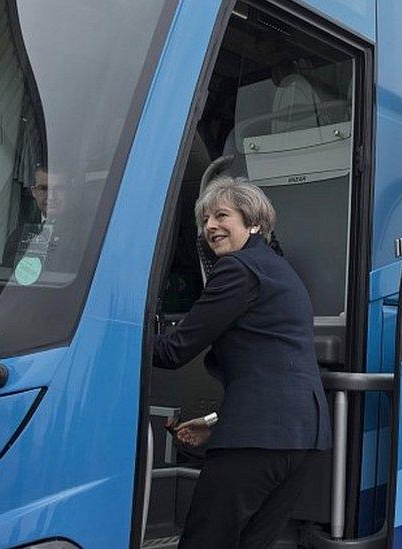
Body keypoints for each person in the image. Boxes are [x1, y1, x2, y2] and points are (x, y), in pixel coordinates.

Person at [153, 177, 332, 548]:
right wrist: (215, 421)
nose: (210, 226)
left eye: (221, 215)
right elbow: (274, 367)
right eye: (205, 220)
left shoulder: (238, 270)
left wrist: (116, 336)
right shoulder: (278, 270)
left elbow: (174, 351)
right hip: (303, 437)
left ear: (253, 223)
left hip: (259, 439)